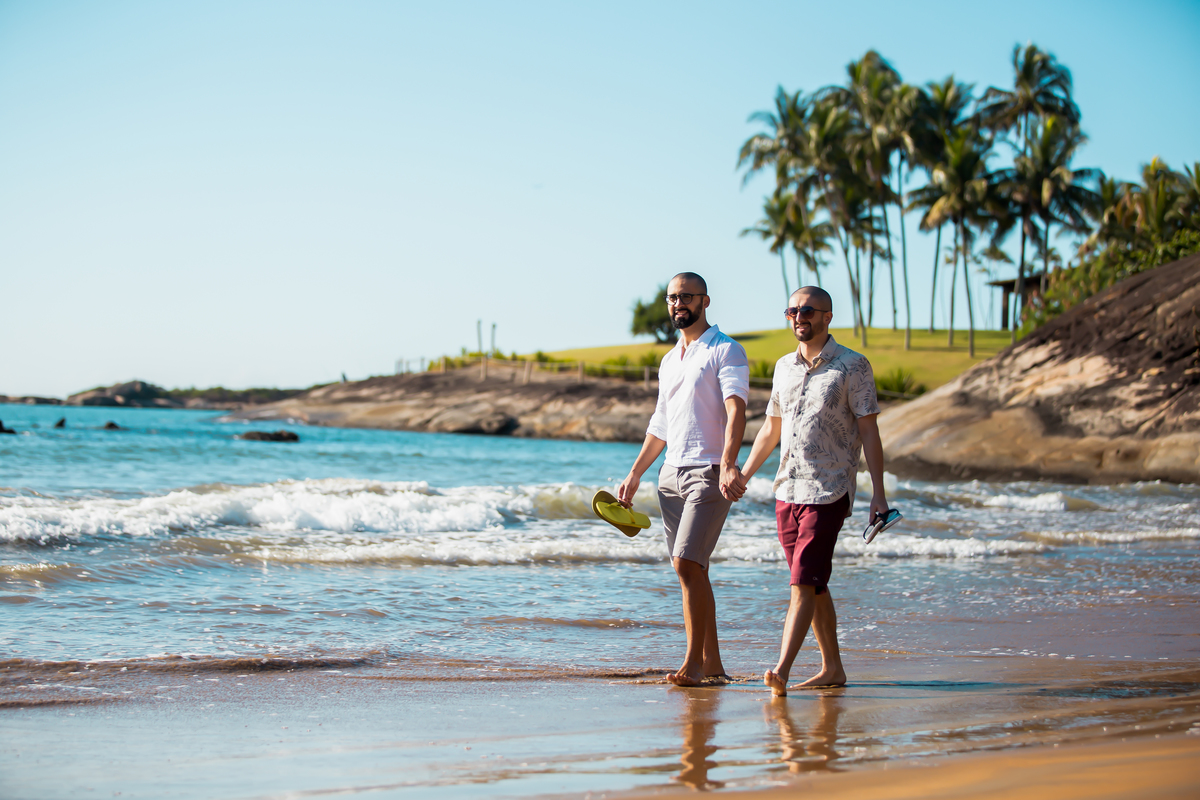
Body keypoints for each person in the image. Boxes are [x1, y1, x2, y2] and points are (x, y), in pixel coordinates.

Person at [739, 286, 888, 696]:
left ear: (827, 316)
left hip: (830, 489)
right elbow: (771, 426)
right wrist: (746, 472)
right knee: (815, 582)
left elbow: (869, 432)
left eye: (807, 309)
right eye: (792, 310)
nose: (798, 316)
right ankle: (832, 668)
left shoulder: (853, 366)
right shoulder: (784, 366)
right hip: (787, 489)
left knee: (802, 581)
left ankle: (781, 670)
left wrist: (878, 493)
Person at [617, 272, 750, 687]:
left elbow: (736, 410)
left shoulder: (726, 350)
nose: (679, 304)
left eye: (687, 297)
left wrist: (729, 462)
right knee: (693, 571)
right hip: (670, 475)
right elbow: (660, 422)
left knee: (686, 563)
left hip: (709, 470)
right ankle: (712, 663)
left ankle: (692, 664)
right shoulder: (670, 358)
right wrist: (636, 473)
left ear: (705, 301)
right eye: (672, 298)